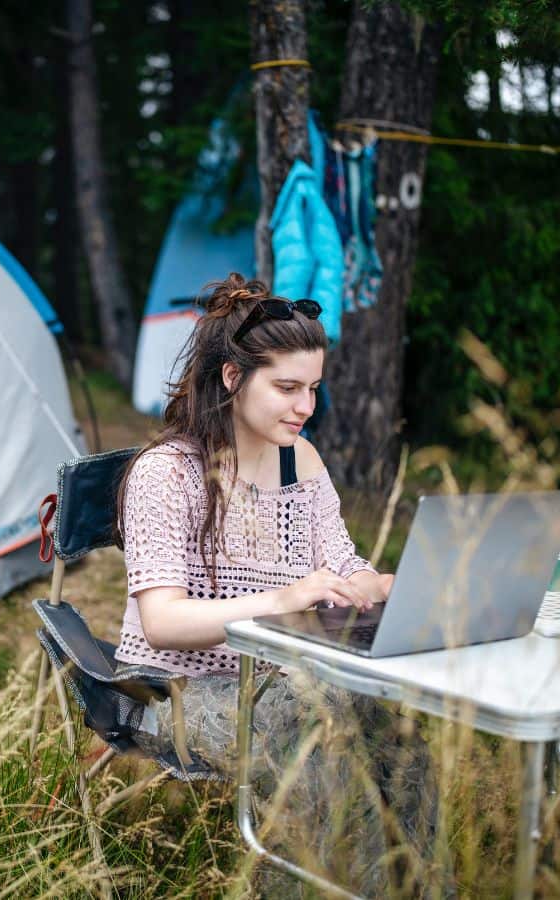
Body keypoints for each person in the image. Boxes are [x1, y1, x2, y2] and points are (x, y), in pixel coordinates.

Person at [115, 273, 436, 895]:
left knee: (399, 743)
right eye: (287, 388)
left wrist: (381, 582)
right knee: (323, 754)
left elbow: (342, 561)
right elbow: (162, 622)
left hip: (281, 679)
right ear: (233, 379)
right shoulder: (166, 473)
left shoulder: (301, 460)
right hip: (182, 691)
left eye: (313, 388)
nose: (305, 407)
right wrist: (283, 600)